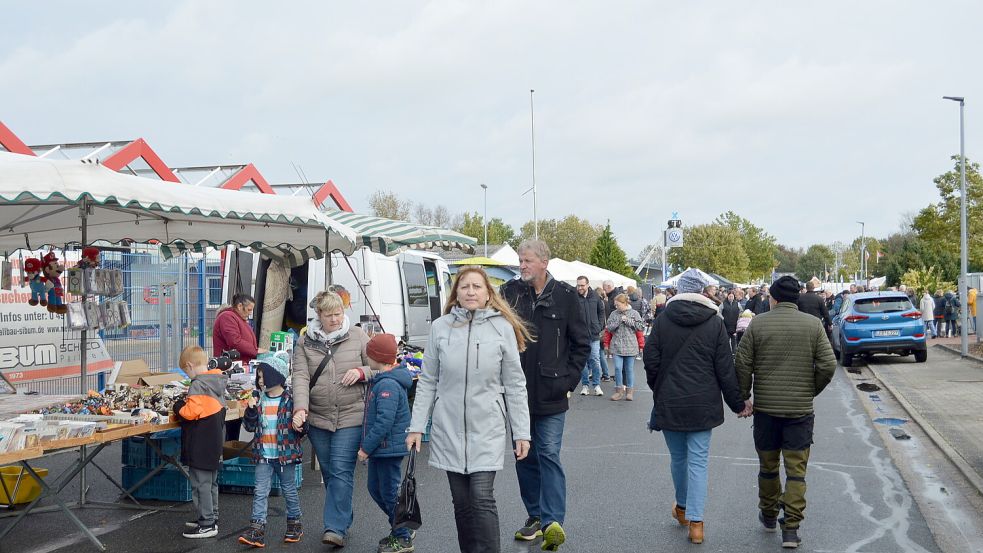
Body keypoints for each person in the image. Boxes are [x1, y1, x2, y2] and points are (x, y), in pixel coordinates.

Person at [408, 267, 532, 553]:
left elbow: (515, 384)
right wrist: (416, 427)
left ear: (488, 293)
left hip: (487, 426)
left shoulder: (502, 328)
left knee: (481, 497)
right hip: (448, 426)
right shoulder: (440, 327)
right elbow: (428, 381)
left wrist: (521, 433)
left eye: (477, 286)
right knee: (462, 503)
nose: (471, 291)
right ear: (456, 293)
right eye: (465, 286)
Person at [643, 268, 749, 545]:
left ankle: (681, 507)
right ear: (702, 292)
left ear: (679, 291)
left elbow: (650, 360)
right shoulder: (714, 322)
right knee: (699, 462)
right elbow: (725, 368)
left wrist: (659, 389)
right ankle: (697, 523)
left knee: (678, 459)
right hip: (703, 402)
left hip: (670, 401)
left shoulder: (663, 320)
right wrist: (738, 403)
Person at [735, 276, 837, 549]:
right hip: (799, 412)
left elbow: (742, 363)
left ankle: (769, 514)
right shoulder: (813, 325)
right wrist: (811, 389)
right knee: (796, 472)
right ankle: (791, 528)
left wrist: (744, 397)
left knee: (768, 468)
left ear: (774, 298)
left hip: (766, 411)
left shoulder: (758, 324)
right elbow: (828, 364)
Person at [500, 240, 589, 552]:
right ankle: (535, 516)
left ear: (544, 262)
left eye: (527, 260)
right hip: (517, 392)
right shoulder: (510, 292)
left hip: (552, 391)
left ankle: (552, 522)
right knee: (524, 456)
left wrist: (568, 382)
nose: (522, 265)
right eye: (520, 260)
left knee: (548, 453)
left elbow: (581, 344)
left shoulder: (565, 295)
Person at [291, 290, 374, 547]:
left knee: (340, 469)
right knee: (330, 472)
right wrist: (300, 408)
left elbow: (378, 366)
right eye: (329, 315)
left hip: (351, 415)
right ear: (319, 315)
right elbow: (300, 377)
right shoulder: (305, 342)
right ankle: (343, 516)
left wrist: (361, 372)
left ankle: (335, 527)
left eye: (338, 314)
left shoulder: (357, 335)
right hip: (318, 417)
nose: (335, 319)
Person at [238, 356, 304, 548]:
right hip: (263, 456)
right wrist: (251, 411)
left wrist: (302, 425)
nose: (259, 380)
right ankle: (257, 530)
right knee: (260, 491)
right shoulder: (258, 400)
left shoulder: (290, 400)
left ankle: (294, 524)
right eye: (258, 377)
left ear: (275, 376)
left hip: (285, 456)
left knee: (289, 490)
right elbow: (249, 427)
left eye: (262, 376)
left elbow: (301, 429)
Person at [358, 334, 414, 553]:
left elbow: (384, 422)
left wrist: (365, 448)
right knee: (375, 489)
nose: (366, 357)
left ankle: (403, 536)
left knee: (389, 493)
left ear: (376, 357)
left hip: (387, 449)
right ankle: (401, 526)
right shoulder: (385, 380)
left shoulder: (387, 385)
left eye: (369, 354)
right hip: (382, 449)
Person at [173, 346, 228, 539]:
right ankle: (212, 517)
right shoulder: (217, 381)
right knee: (211, 482)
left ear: (189, 365)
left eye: (185, 371)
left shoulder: (198, 384)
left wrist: (178, 406)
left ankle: (206, 523)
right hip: (215, 442)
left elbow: (190, 413)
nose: (187, 375)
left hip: (201, 443)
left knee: (200, 483)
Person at [213, 293, 267, 441]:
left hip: (240, 372)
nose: (250, 313)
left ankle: (232, 444)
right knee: (232, 415)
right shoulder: (227, 317)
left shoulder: (238, 318)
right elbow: (235, 341)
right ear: (239, 306)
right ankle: (230, 445)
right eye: (248, 310)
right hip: (231, 374)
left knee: (237, 414)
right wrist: (255, 350)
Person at [606, 293, 644, 401]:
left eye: (618, 305)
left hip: (630, 346)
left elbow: (640, 327)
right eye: (615, 305)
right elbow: (609, 328)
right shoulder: (613, 314)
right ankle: (618, 391)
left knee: (629, 369)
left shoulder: (634, 313)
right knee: (618, 368)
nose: (616, 307)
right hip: (617, 346)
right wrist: (619, 321)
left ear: (624, 303)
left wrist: (628, 320)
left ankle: (629, 392)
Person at [576, 277, 605, 397]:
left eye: (582, 285)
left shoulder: (595, 296)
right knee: (582, 361)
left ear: (588, 285)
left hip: (594, 334)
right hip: (580, 335)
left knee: (595, 360)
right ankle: (585, 385)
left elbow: (601, 312)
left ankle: (597, 385)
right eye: (578, 285)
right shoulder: (574, 297)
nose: (580, 288)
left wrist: (599, 326)